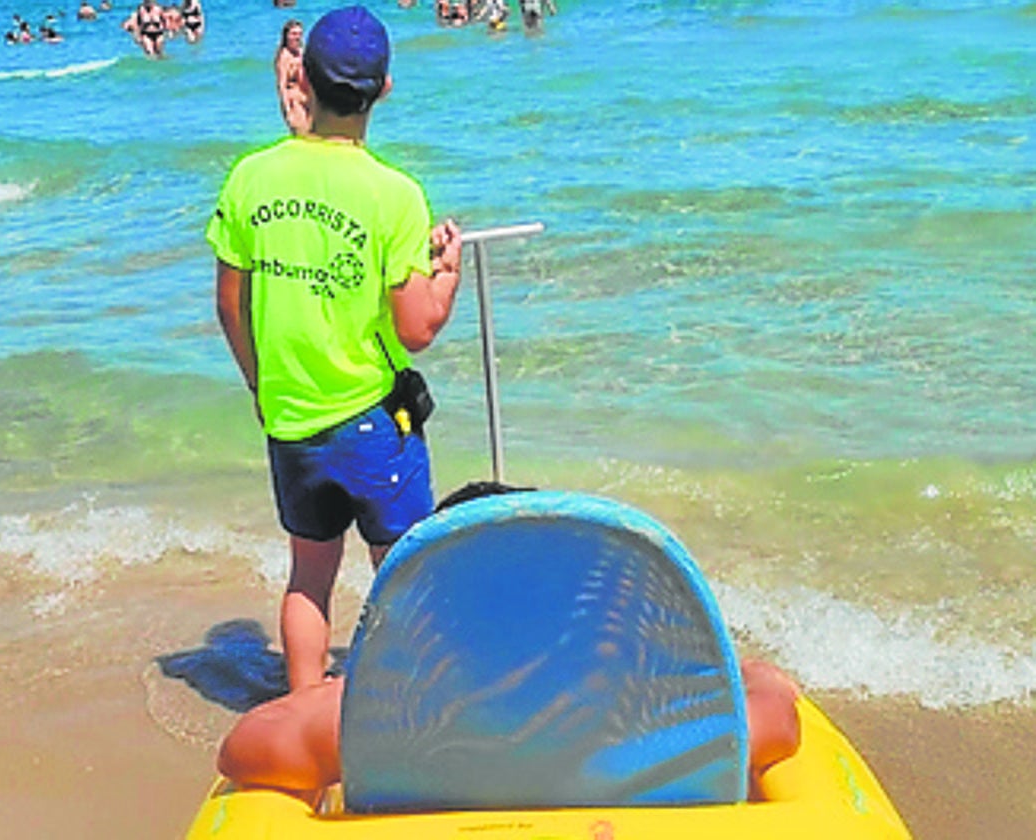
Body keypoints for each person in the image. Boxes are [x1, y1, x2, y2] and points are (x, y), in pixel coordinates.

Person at [207, 5, 463, 693]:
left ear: (304, 82)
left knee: (309, 576)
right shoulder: (395, 195)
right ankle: (424, 705)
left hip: (291, 418)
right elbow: (416, 329)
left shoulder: (250, 177)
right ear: (382, 89)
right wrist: (446, 274)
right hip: (372, 421)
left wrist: (262, 387)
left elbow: (230, 304)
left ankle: (303, 719)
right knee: (406, 570)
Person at [216, 659, 802, 807]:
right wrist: (757, 677)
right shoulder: (627, 728)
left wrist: (334, 694)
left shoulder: (404, 730)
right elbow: (778, 723)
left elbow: (243, 748)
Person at [273, 19, 309, 135]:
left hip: (307, 99)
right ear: (286, 36)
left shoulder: (301, 52)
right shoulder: (284, 57)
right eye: (293, 34)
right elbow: (281, 86)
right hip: (294, 102)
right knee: (303, 135)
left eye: (299, 34)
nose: (297, 37)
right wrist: (288, 111)